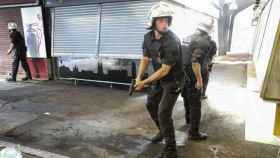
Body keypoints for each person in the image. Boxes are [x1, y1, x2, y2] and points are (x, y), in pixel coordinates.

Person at [134, 2, 184, 158]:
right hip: (159, 78)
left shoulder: (172, 41)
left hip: (173, 80)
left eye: (167, 20)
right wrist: (138, 77)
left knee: (163, 112)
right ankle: (163, 131)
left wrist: (144, 82)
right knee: (150, 104)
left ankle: (171, 150)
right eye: (161, 20)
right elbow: (145, 58)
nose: (165, 24)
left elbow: (165, 70)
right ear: (153, 22)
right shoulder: (148, 37)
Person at [181, 21, 215, 141]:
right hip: (194, 75)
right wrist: (200, 81)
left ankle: (188, 121)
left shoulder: (187, 37)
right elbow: (195, 62)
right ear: (209, 30)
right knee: (195, 104)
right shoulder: (204, 41)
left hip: (184, 75)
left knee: (186, 98)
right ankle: (193, 133)